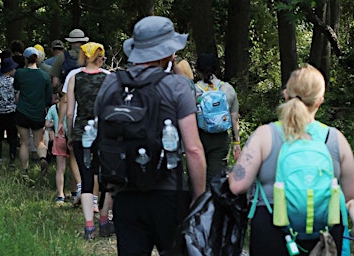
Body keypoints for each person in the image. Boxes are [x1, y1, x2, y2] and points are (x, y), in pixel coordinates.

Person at [95, 16, 206, 254]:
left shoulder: (110, 84)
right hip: (169, 193)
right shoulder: (177, 86)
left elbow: (102, 135)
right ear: (166, 53)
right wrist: (198, 198)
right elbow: (194, 149)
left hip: (124, 192)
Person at [229, 64, 354, 255]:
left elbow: (237, 186)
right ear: (320, 100)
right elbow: (349, 195)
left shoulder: (265, 135)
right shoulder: (336, 139)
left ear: (286, 94)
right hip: (324, 235)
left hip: (272, 230)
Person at [64, 42, 114, 240]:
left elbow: (69, 112)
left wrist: (70, 134)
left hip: (81, 133)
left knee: (86, 179)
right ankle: (104, 220)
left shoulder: (75, 77)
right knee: (105, 178)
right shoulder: (109, 78)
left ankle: (89, 226)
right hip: (104, 133)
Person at [51, 29, 89, 205]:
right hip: (87, 105)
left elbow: (55, 82)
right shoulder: (89, 55)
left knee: (71, 148)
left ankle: (78, 188)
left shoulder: (62, 57)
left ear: (71, 42)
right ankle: (78, 188)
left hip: (66, 103)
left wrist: (59, 95)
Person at [195, 54, 241, 186]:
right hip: (220, 139)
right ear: (216, 69)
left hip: (199, 137)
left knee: (198, 179)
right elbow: (234, 118)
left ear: (198, 70)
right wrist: (236, 142)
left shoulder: (194, 90)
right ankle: (215, 204)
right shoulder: (228, 89)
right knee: (216, 179)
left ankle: (196, 204)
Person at [14, 47, 52, 174]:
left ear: (25, 59)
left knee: (24, 142)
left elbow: (16, 87)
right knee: (39, 142)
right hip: (38, 113)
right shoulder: (45, 76)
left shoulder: (19, 73)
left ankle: (25, 170)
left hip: (22, 112)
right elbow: (48, 98)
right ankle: (42, 158)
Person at [45, 94, 68, 203]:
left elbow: (47, 123)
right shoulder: (73, 106)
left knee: (60, 169)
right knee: (75, 167)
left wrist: (55, 122)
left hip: (59, 138)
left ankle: (60, 195)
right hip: (72, 138)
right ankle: (75, 191)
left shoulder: (54, 108)